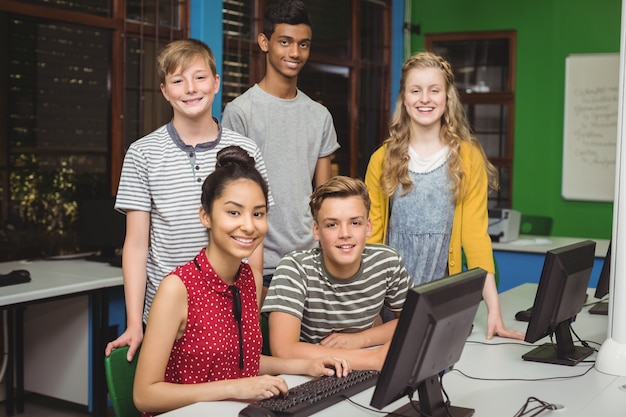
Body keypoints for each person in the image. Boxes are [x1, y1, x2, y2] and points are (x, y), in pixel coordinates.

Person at [132, 146, 350, 416]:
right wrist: (234, 388)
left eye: (258, 214)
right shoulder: (177, 288)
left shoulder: (249, 279)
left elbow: (240, 362)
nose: (249, 225)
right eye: (234, 212)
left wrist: (307, 365)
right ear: (206, 216)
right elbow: (145, 395)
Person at [105, 39, 272, 362]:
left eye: (199, 77)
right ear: (165, 91)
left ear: (216, 83)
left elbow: (255, 244)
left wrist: (248, 313)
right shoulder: (143, 153)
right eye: (178, 80)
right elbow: (137, 245)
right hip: (167, 314)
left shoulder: (246, 151)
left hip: (230, 309)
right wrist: (133, 322)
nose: (190, 88)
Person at [364, 51, 524, 341]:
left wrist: (494, 312)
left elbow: (475, 238)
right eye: (416, 90)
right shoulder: (382, 159)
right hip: (390, 305)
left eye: (434, 90)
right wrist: (370, 310)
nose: (425, 98)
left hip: (443, 302)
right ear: (403, 98)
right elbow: (371, 240)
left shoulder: (467, 158)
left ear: (447, 97)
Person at [222, 0, 340, 301]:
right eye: (285, 42)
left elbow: (324, 196)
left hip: (311, 263)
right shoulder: (241, 112)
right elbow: (233, 197)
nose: (295, 53)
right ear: (264, 42)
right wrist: (250, 270)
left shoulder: (319, 116)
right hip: (257, 264)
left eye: (303, 44)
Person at [261, 176, 411, 371]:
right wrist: (371, 359)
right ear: (316, 231)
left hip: (365, 365)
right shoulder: (295, 268)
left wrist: (359, 339)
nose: (345, 233)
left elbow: (411, 322)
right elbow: (284, 349)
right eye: (332, 224)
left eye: (355, 223)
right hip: (310, 375)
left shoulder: (387, 262)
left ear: (368, 227)